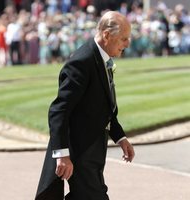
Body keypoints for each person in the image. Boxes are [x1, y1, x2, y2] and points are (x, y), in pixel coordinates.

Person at [35, 11, 135, 200]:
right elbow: (59, 109)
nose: (127, 44)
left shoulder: (101, 57)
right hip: (80, 153)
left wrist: (120, 137)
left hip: (92, 151)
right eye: (124, 38)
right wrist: (62, 155)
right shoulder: (82, 61)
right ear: (107, 35)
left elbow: (103, 106)